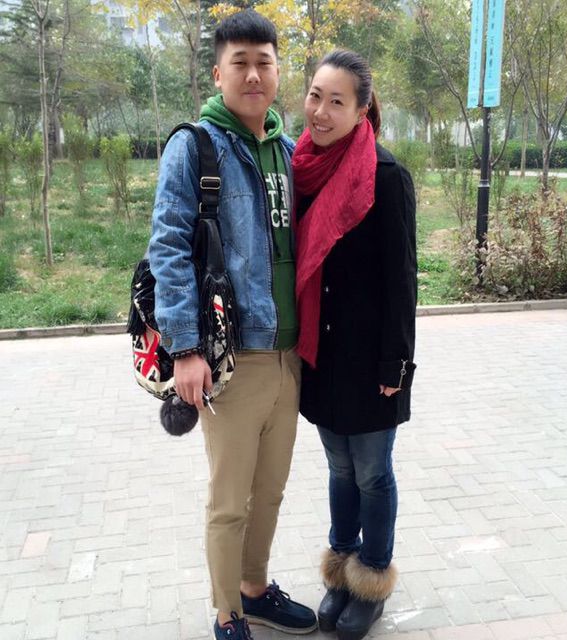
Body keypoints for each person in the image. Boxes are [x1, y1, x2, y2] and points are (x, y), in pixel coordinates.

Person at [148, 10, 317, 640]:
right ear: (218, 74)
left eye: (263, 63)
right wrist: (184, 347)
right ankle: (227, 615)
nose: (252, 75)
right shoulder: (195, 146)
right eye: (239, 63)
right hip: (230, 358)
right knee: (230, 502)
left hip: (287, 355)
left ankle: (255, 589)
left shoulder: (290, 151)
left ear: (278, 72)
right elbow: (168, 247)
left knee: (269, 492)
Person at [292, 49, 417, 640]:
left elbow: (402, 279)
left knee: (372, 473)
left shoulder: (387, 177)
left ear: (362, 110)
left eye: (336, 101)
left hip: (370, 361)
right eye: (315, 95)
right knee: (339, 469)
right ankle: (341, 568)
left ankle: (371, 576)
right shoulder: (302, 168)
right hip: (322, 354)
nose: (320, 111)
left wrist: (396, 363)